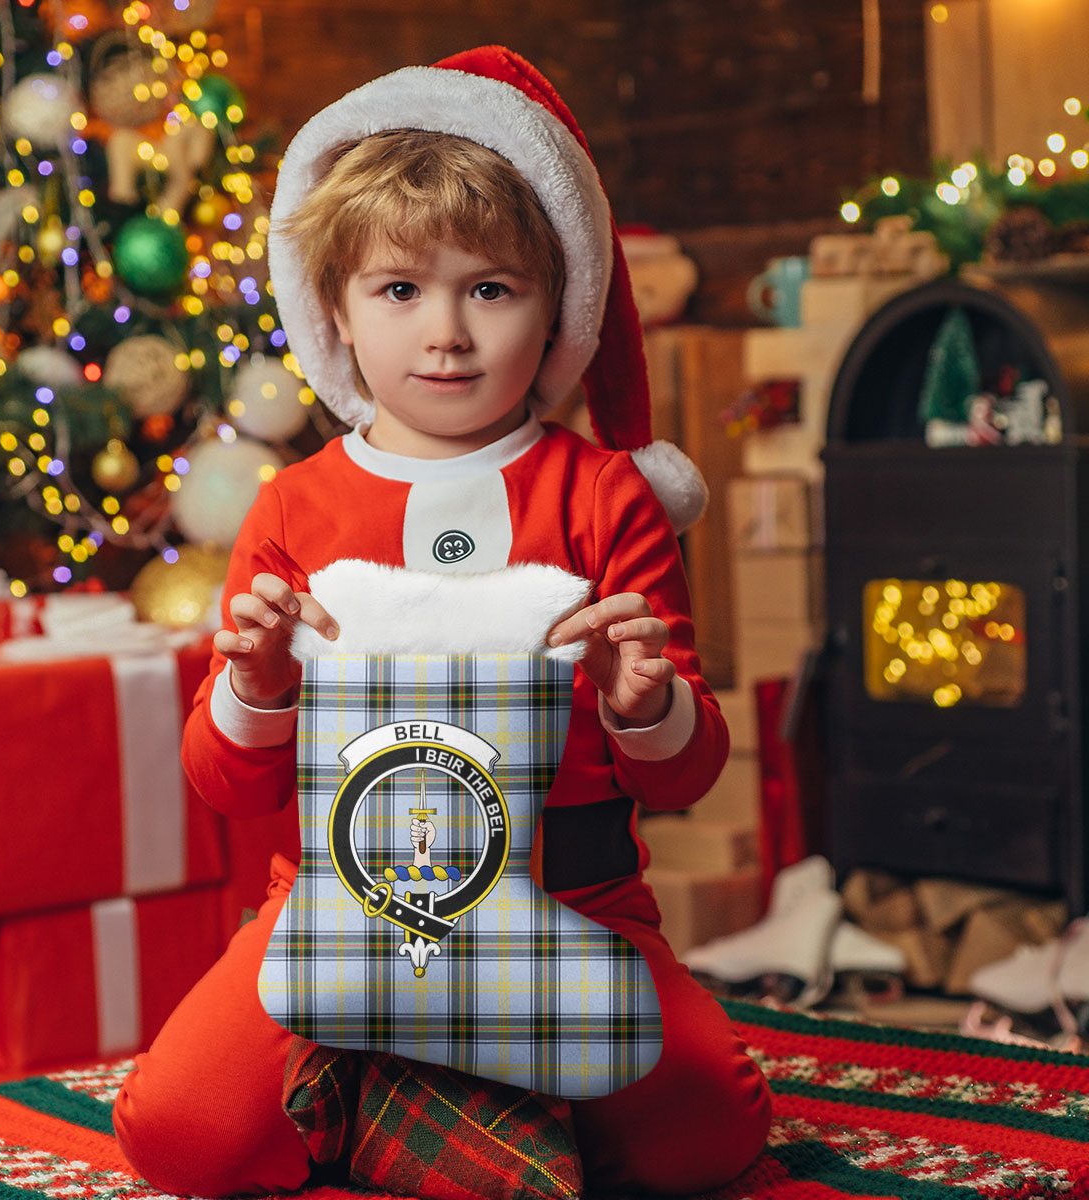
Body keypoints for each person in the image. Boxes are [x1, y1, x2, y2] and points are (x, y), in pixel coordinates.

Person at [113, 45, 771, 1197]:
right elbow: (227, 784)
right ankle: (424, 1087)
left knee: (706, 1137)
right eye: (401, 289)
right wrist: (258, 687)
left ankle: (419, 1087)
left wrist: (649, 705)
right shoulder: (296, 503)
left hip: (575, 901)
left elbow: (685, 780)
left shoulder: (605, 496)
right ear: (336, 310)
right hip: (337, 900)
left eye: (491, 288)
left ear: (554, 303)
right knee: (182, 1136)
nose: (447, 334)